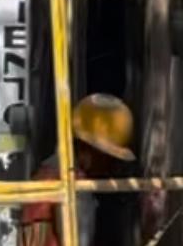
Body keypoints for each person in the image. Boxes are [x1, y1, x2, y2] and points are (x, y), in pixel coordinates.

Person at [19, 93, 135, 246]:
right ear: (89, 150)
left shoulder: (45, 174)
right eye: (108, 158)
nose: (110, 167)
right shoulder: (76, 188)